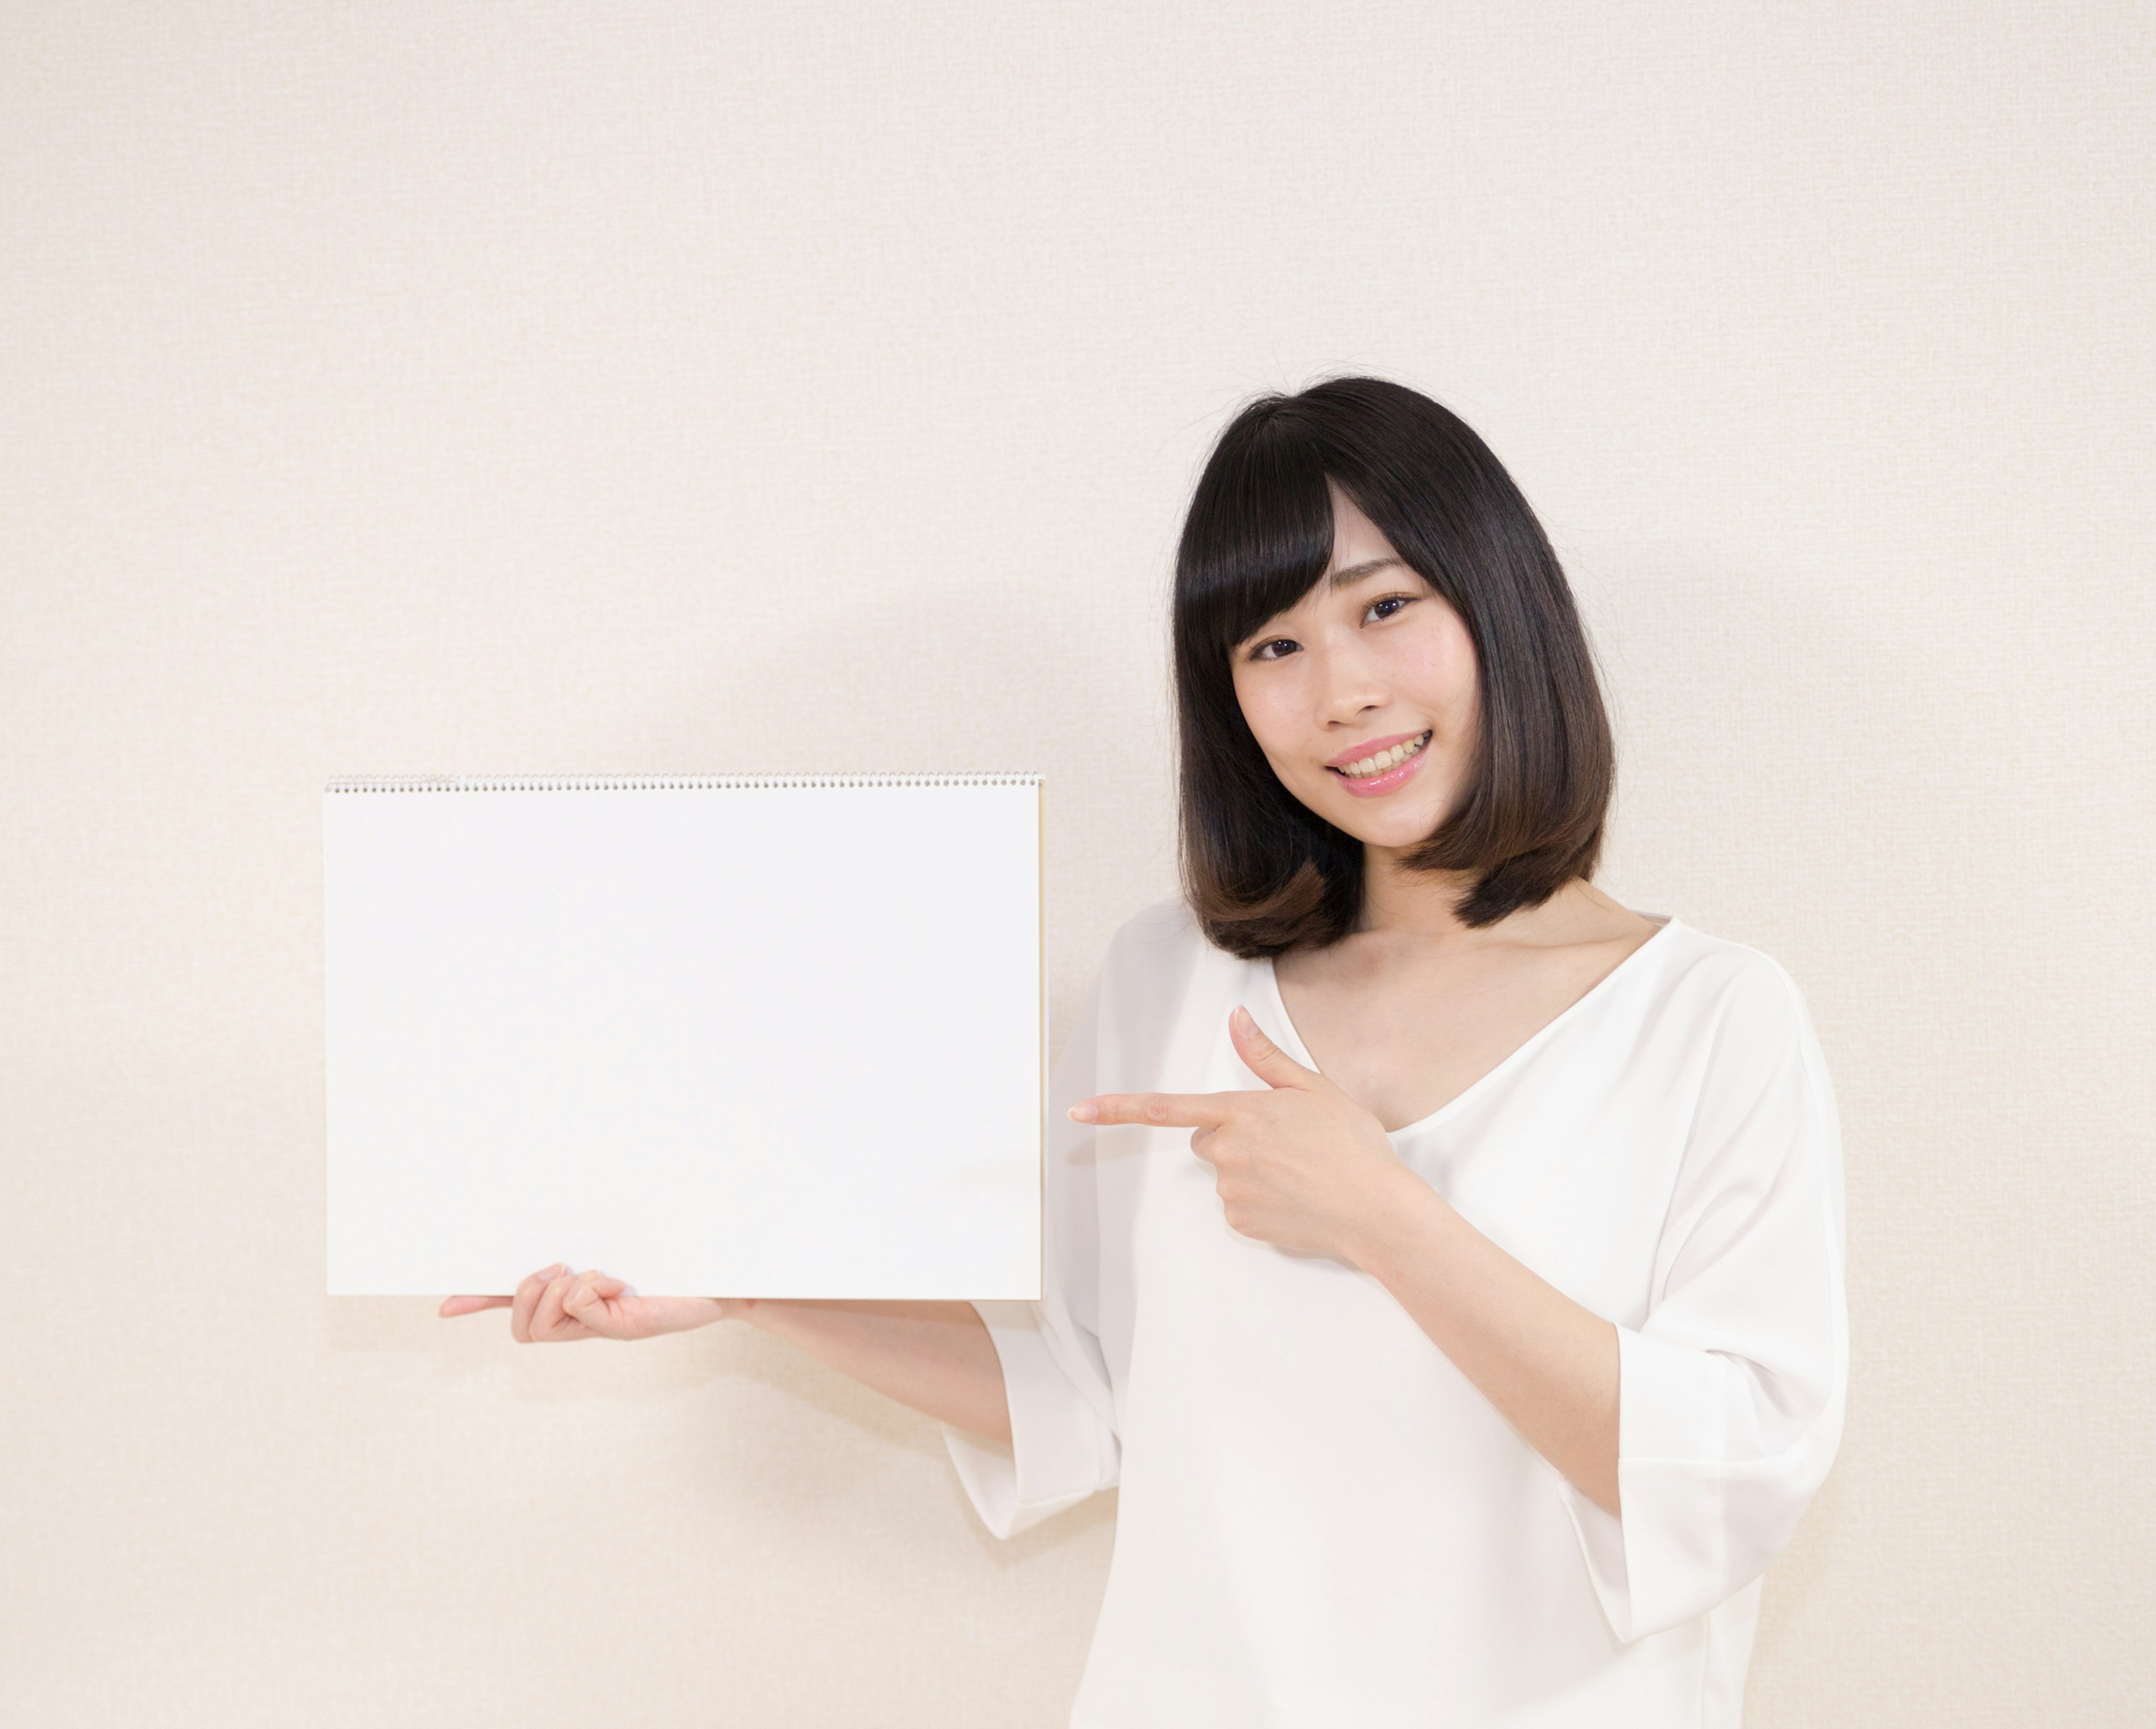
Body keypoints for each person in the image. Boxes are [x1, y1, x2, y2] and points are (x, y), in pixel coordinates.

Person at [442, 376, 1849, 1727]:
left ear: (1502, 608)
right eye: (1273, 646)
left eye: (1386, 606)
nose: (1342, 689)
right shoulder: (1172, 978)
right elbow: (1080, 1388)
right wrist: (749, 1275)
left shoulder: (1712, 1015)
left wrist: (1382, 1210)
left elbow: (1733, 1473)